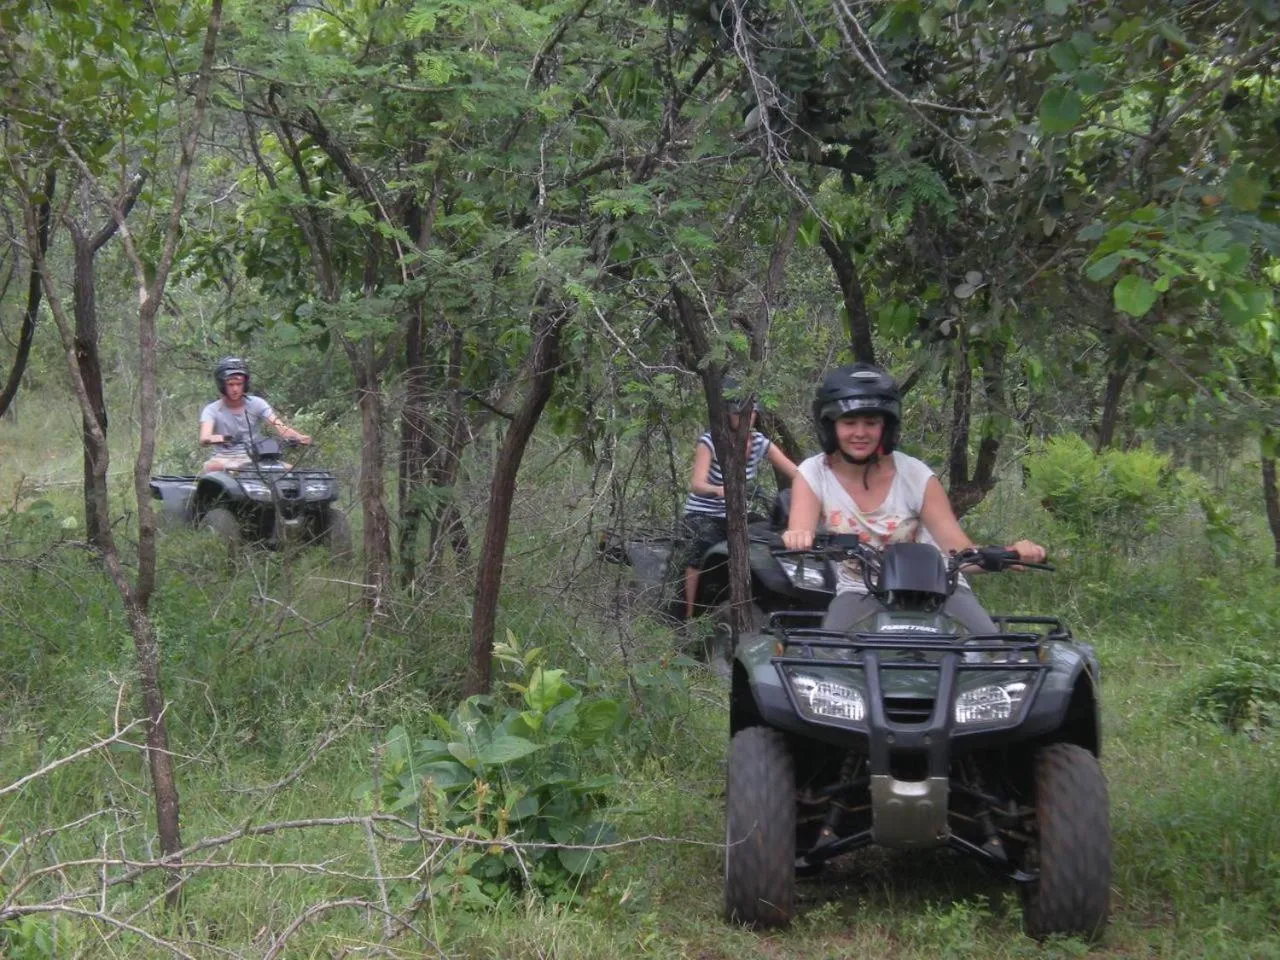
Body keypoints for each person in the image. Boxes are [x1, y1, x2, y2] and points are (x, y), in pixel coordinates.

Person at [781, 363, 1045, 634]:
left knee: (989, 650)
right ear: (830, 426)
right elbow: (800, 527)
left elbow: (959, 551)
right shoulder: (813, 474)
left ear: (886, 427)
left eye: (871, 423)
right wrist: (798, 536)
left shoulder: (915, 475)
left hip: (936, 585)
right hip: (860, 589)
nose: (860, 433)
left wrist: (1008, 554)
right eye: (849, 423)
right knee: (832, 656)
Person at [677, 381, 799, 621]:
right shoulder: (710, 441)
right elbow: (696, 484)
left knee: (769, 537)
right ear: (727, 414)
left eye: (752, 412)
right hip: (705, 512)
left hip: (737, 514)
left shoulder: (760, 443)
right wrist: (720, 490)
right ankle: (689, 615)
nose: (747, 417)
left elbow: (797, 473)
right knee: (698, 548)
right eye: (740, 413)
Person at [199, 357, 310, 473]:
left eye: (239, 384)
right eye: (231, 384)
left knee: (291, 471)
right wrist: (221, 438)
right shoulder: (212, 409)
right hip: (224, 458)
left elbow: (278, 426)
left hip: (255, 457)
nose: (235, 389)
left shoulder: (257, 403)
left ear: (245, 384)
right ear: (222, 385)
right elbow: (204, 438)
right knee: (212, 467)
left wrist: (299, 437)